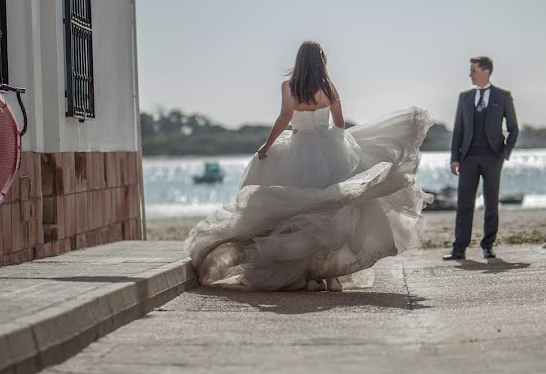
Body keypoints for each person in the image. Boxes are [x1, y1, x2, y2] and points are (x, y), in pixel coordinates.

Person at [185, 40, 433, 291]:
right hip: (329, 149)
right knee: (329, 213)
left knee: (296, 215)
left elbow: (284, 117)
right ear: (321, 61)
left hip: (297, 149)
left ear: (299, 60)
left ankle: (306, 275)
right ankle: (328, 275)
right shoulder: (329, 87)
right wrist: (341, 147)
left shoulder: (290, 86)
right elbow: (339, 123)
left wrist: (267, 147)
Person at [444, 56, 519, 260]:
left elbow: (513, 129)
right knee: (464, 204)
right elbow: (458, 130)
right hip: (468, 158)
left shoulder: (503, 96)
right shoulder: (464, 97)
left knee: (491, 202)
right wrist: (455, 157)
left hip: (493, 158)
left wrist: (504, 153)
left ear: (485, 71)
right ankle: (459, 249)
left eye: (473, 70)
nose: (470, 74)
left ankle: (488, 246)